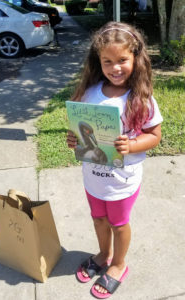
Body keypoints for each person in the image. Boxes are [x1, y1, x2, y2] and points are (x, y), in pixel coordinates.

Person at [66, 21, 163, 299]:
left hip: (123, 179)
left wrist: (132, 145)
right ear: (98, 61)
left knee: (119, 224)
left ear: (136, 58)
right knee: (98, 219)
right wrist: (73, 139)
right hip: (93, 176)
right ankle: (103, 254)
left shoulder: (141, 99)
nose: (115, 67)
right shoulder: (90, 92)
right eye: (107, 61)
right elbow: (79, 129)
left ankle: (119, 264)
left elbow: (154, 135)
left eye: (122, 59)